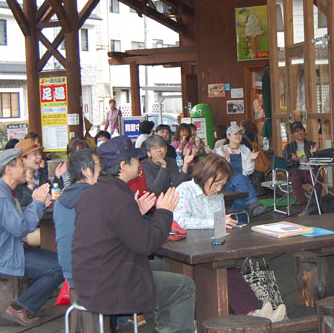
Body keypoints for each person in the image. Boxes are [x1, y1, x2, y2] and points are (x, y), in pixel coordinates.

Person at [72, 135, 195, 333]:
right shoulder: (119, 198)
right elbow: (147, 245)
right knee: (185, 286)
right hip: (110, 284)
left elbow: (111, 231)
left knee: (162, 266)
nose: (141, 162)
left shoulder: (93, 192)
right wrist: (164, 211)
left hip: (88, 277)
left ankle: (165, 328)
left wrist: (135, 212)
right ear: (123, 165)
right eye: (137, 159)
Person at [173, 155, 285, 321]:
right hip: (188, 251)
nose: (218, 189)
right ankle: (254, 314)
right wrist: (214, 223)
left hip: (211, 246)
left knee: (228, 269)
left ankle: (256, 313)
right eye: (216, 183)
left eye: (222, 185)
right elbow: (181, 221)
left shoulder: (217, 196)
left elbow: (219, 224)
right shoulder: (184, 190)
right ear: (205, 175)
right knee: (225, 272)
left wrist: (226, 226)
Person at [0, 148, 63, 327]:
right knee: (57, 269)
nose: (25, 169)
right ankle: (19, 307)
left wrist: (38, 205)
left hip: (1, 247)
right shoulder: (0, 197)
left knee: (60, 261)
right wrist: (37, 204)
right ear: (8, 169)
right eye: (20, 164)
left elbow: (14, 218)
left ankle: (31, 302)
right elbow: (21, 228)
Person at [53, 148, 100, 289]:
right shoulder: (95, 197)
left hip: (69, 273)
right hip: (94, 274)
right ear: (86, 171)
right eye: (98, 164)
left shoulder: (61, 199)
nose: (102, 169)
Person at [214, 125, 267, 217]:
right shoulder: (221, 151)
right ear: (228, 136)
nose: (238, 136)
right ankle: (254, 205)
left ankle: (238, 218)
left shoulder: (245, 150)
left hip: (241, 183)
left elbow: (248, 172)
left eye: (240, 133)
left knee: (241, 183)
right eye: (235, 134)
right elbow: (221, 172)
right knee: (240, 179)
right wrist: (227, 159)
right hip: (225, 183)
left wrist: (250, 160)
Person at [283, 121, 322, 216]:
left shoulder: (312, 144)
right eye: (296, 131)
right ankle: (304, 206)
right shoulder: (289, 147)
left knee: (317, 178)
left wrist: (314, 154)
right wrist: (295, 160)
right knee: (294, 180)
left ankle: (314, 203)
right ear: (292, 134)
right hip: (297, 170)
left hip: (310, 169)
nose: (299, 133)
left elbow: (319, 161)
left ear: (304, 131)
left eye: (300, 130)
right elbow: (287, 163)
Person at [13, 138, 50, 208]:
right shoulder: (16, 181)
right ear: (22, 159)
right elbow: (20, 208)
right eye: (35, 154)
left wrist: (57, 176)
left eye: (39, 153)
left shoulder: (40, 174)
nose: (39, 157)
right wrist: (30, 187)